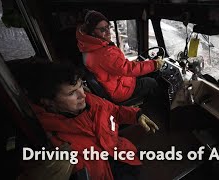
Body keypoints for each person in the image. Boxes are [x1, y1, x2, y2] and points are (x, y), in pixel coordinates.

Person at [22, 62, 159, 180]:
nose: (82, 94)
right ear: (49, 102)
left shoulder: (92, 101)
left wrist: (136, 115)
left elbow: (114, 111)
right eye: (71, 93)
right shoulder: (49, 139)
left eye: (81, 86)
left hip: (124, 157)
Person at [76, 10, 165, 103]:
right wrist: (155, 64)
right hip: (120, 90)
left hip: (114, 83)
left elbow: (118, 65)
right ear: (92, 32)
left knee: (144, 73)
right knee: (151, 82)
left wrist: (136, 63)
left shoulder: (89, 47)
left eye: (108, 27)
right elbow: (128, 69)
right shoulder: (104, 53)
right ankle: (154, 111)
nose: (108, 32)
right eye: (102, 29)